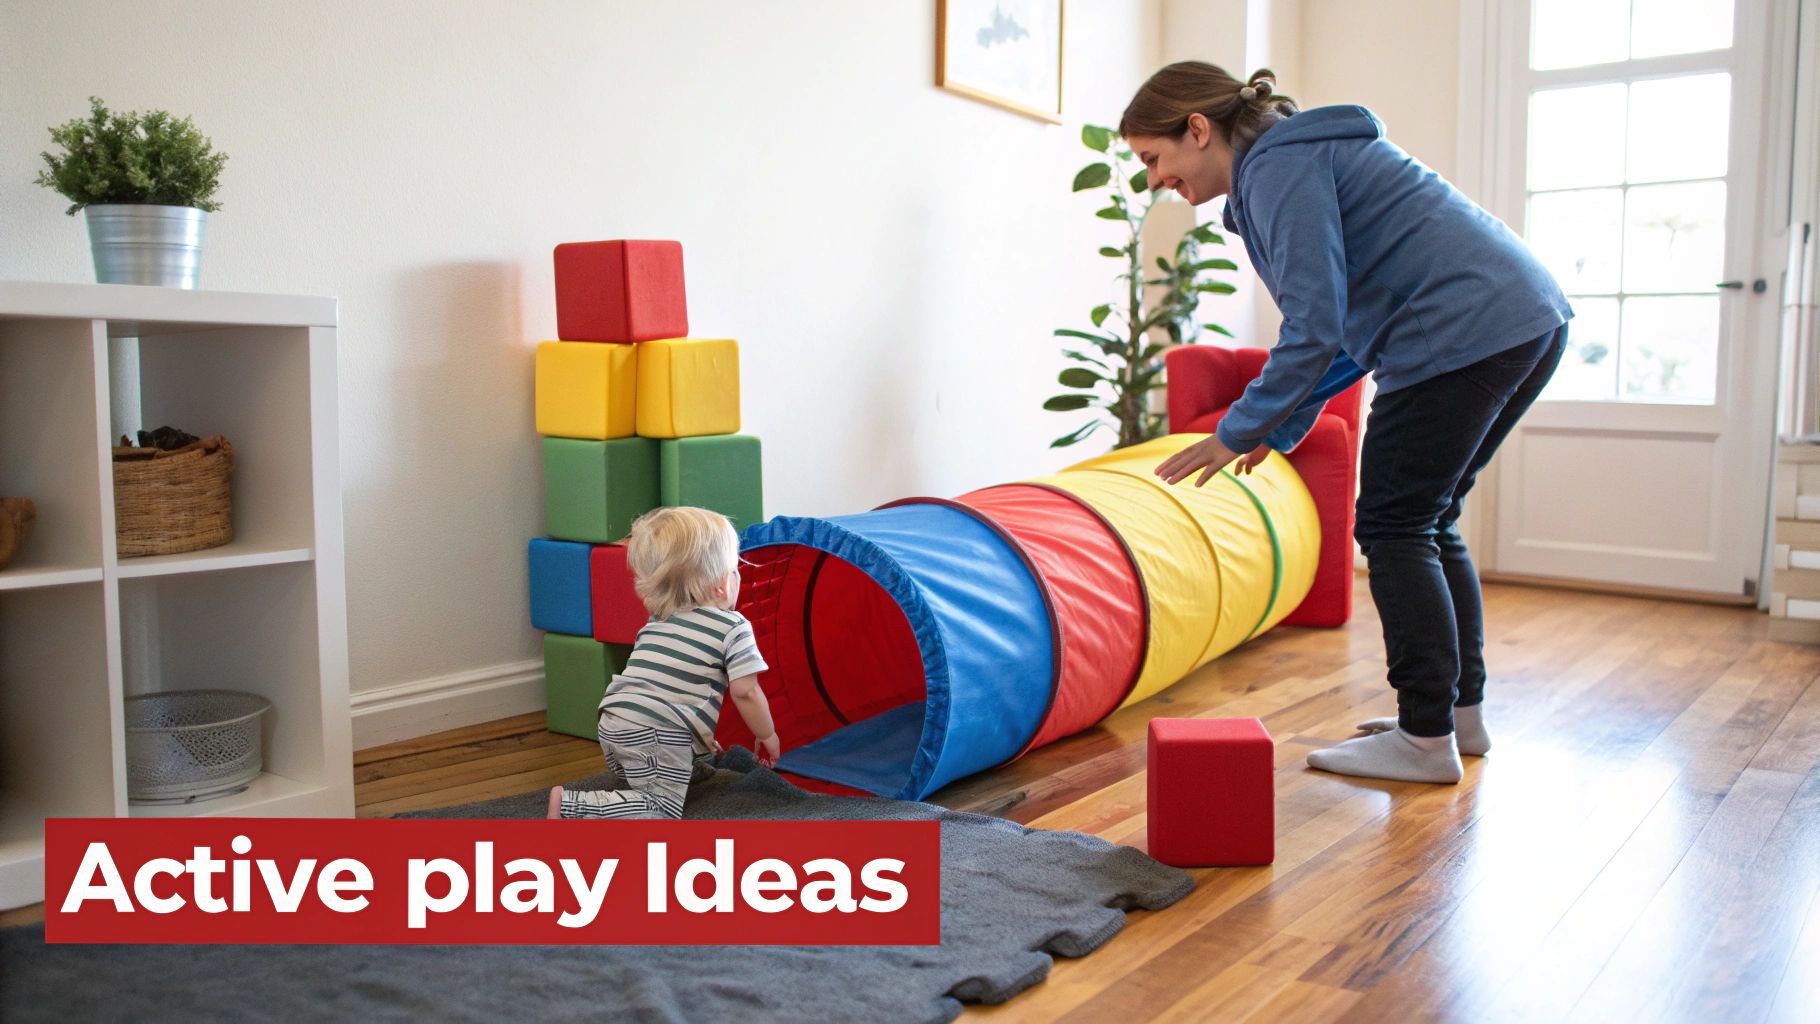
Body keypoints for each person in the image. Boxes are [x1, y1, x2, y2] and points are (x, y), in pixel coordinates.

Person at [1131, 62, 1572, 784]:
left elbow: (1315, 322)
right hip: (1521, 318)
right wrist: (1279, 424)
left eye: (1154, 158)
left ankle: (1424, 738)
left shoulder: (1277, 167)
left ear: (1199, 130)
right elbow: (1336, 334)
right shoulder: (1292, 161)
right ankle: (1457, 718)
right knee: (1429, 519)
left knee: (1396, 526)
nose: (1153, 181)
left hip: (1460, 331)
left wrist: (1240, 427)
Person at [548, 506, 780, 818]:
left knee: (661, 759)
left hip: (612, 718)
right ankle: (571, 808)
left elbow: (667, 686)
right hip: (655, 732)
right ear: (724, 584)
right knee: (661, 810)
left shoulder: (658, 621)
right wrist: (766, 735)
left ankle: (673, 770)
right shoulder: (733, 627)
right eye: (736, 569)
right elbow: (745, 691)